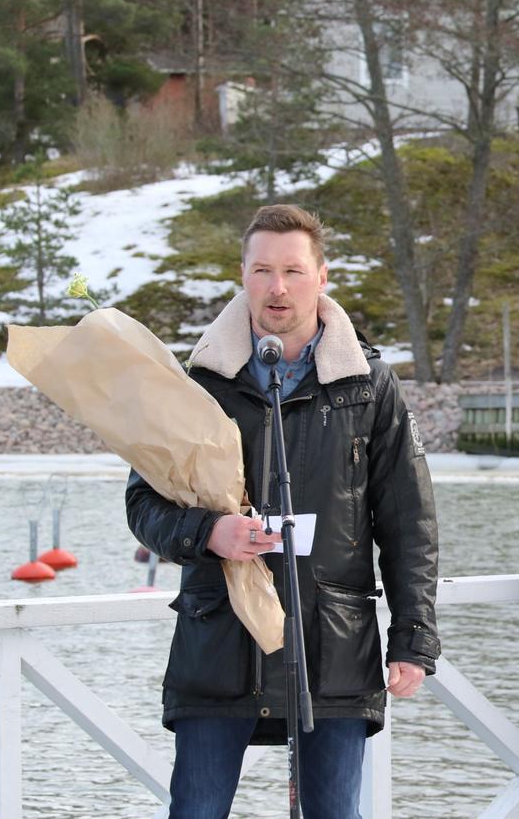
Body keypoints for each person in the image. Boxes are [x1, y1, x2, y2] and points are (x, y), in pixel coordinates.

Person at [127, 204, 440, 819]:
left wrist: (413, 637)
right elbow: (143, 502)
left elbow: (410, 523)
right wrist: (208, 531)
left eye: (293, 271)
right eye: (263, 270)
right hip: (219, 638)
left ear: (322, 277)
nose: (277, 288)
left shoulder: (368, 385)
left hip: (333, 646)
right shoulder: (196, 381)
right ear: (241, 275)